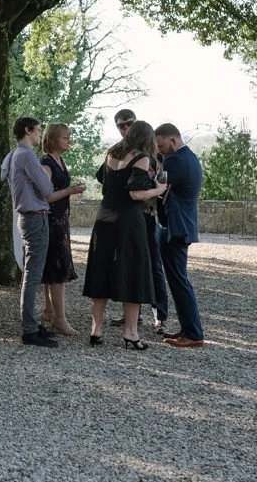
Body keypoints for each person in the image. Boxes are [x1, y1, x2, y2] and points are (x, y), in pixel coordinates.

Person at [83, 120, 167, 350]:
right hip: (128, 221)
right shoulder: (141, 158)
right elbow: (136, 194)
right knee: (133, 273)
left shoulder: (111, 153)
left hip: (104, 218)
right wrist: (158, 189)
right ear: (147, 138)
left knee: (101, 271)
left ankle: (96, 330)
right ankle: (131, 333)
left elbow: (102, 179)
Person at [101, 109, 169, 331]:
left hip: (146, 216)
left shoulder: (152, 155)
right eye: (121, 126)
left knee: (153, 266)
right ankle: (131, 316)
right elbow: (103, 177)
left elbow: (162, 182)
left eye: (128, 124)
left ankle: (160, 317)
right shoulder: (117, 152)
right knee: (127, 265)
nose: (125, 128)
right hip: (126, 217)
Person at [1, 118, 59, 348]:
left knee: (31, 274)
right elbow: (47, 189)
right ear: (27, 130)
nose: (40, 135)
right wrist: (47, 179)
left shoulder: (15, 154)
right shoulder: (26, 155)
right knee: (32, 276)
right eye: (38, 130)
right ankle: (29, 330)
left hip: (29, 218)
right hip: (35, 218)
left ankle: (32, 324)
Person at [155, 123, 206, 348]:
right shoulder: (191, 158)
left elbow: (157, 186)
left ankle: (193, 333)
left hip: (175, 227)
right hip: (184, 225)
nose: (160, 151)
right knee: (178, 280)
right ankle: (187, 329)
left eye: (161, 146)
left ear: (173, 141)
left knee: (179, 281)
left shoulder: (174, 161)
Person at [39, 123, 86, 336]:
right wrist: (69, 190)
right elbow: (46, 196)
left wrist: (70, 192)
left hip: (60, 220)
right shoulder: (46, 163)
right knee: (56, 270)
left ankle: (49, 311)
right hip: (51, 222)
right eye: (65, 137)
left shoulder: (59, 160)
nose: (69, 141)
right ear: (53, 139)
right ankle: (60, 318)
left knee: (53, 267)